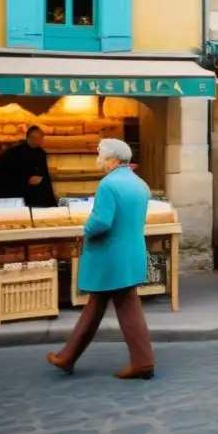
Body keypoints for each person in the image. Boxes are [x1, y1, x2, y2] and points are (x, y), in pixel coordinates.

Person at [46, 139, 155, 379]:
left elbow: (102, 221)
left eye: (102, 156)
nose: (100, 160)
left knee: (122, 304)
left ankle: (143, 361)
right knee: (99, 305)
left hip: (110, 255)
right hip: (130, 252)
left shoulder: (108, 185)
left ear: (114, 160)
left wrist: (84, 230)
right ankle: (68, 356)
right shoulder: (139, 184)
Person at [0, 125, 57, 208]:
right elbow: (4, 174)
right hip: (17, 194)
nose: (37, 140)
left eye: (39, 138)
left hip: (36, 196)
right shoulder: (14, 153)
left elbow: (44, 177)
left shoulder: (41, 154)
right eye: (34, 137)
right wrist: (26, 180)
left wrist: (51, 203)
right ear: (28, 137)